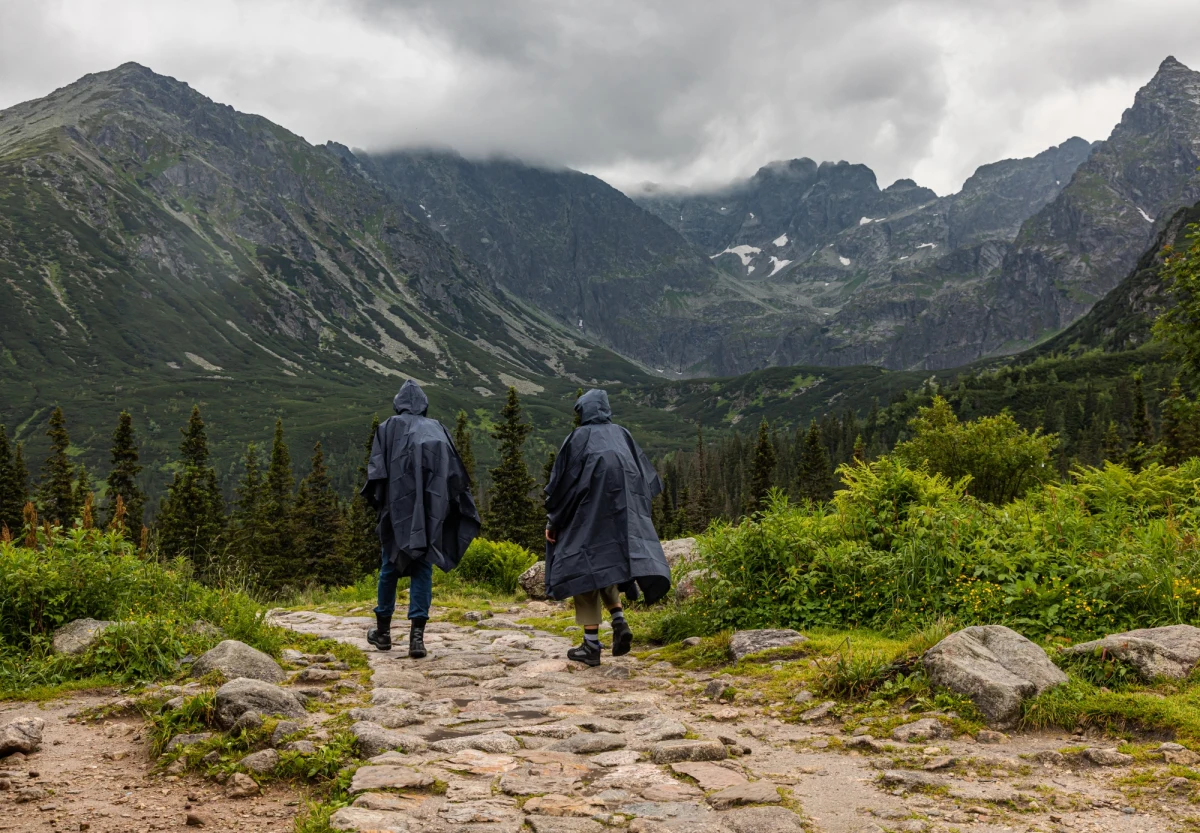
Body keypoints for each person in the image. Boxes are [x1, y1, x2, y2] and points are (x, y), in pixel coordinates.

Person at [544, 389, 671, 666]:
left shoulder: (577, 439)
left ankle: (591, 646)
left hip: (586, 517)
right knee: (608, 564)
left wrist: (553, 521)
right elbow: (646, 479)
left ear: (585, 411)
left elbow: (562, 486)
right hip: (621, 517)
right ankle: (619, 621)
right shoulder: (623, 434)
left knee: (583, 569)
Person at [361, 380, 480, 658]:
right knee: (423, 567)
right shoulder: (437, 428)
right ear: (424, 404)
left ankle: (383, 633)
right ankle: (417, 639)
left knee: (390, 564)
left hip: (396, 509)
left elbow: (377, 472)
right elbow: (453, 474)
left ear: (399, 402)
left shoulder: (387, 428)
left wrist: (381, 502)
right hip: (431, 510)